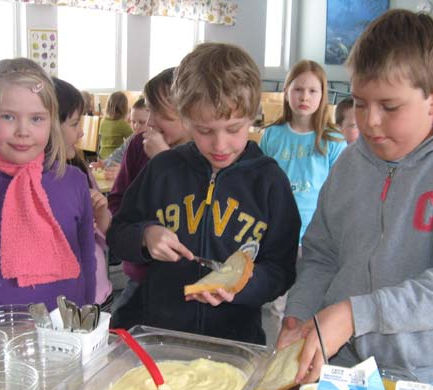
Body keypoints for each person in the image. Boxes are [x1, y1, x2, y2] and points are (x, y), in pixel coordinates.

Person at [277, 9, 433, 386]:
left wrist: (356, 314)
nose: (370, 121)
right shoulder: (350, 163)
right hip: (343, 367)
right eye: (360, 103)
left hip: (431, 376)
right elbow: (321, 254)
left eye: (390, 106)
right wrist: (299, 313)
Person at [106, 43, 301, 345]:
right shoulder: (163, 170)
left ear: (253, 116)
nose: (220, 145)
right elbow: (118, 233)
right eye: (205, 131)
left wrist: (245, 285)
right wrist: (145, 236)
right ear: (185, 119)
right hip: (161, 335)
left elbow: (281, 269)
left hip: (236, 341)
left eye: (234, 129)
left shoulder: (270, 181)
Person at [0, 58, 96, 328]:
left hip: (62, 337)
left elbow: (87, 259)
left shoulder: (74, 181)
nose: (23, 131)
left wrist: (84, 324)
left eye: (37, 119)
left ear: (50, 124)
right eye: (8, 116)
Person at [259, 60, 346, 320]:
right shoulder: (272, 135)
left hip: (315, 236)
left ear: (323, 96)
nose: (304, 97)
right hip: (279, 233)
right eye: (298, 89)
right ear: (286, 92)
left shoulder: (333, 140)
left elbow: (340, 193)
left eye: (312, 91)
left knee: (310, 302)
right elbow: (260, 183)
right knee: (279, 304)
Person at [106, 67, 192, 309]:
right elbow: (117, 205)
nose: (151, 122)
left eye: (161, 114)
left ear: (188, 115)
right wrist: (143, 235)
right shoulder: (137, 145)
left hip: (191, 283)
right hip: (142, 275)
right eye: (150, 111)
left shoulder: (208, 156)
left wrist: (164, 161)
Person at [53, 77, 113, 312]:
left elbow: (106, 232)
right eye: (75, 124)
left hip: (96, 294)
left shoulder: (79, 170)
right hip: (60, 304)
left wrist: (100, 213)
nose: (81, 134)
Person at [99, 97, 149, 180]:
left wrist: (124, 171)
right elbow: (117, 155)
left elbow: (148, 173)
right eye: (133, 122)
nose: (136, 126)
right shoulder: (132, 138)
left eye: (142, 122)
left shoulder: (154, 143)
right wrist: (105, 163)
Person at [98, 91, 132, 159]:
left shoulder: (103, 121)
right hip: (115, 157)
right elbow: (133, 138)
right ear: (124, 108)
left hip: (101, 155)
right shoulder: (122, 124)